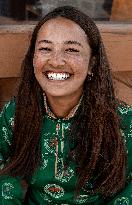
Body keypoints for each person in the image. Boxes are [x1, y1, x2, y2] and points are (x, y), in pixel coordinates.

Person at [0, 6, 131, 205]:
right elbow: (5, 177)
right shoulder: (15, 115)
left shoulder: (124, 122)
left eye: (71, 50)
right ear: (33, 58)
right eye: (45, 48)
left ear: (92, 63)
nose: (56, 61)